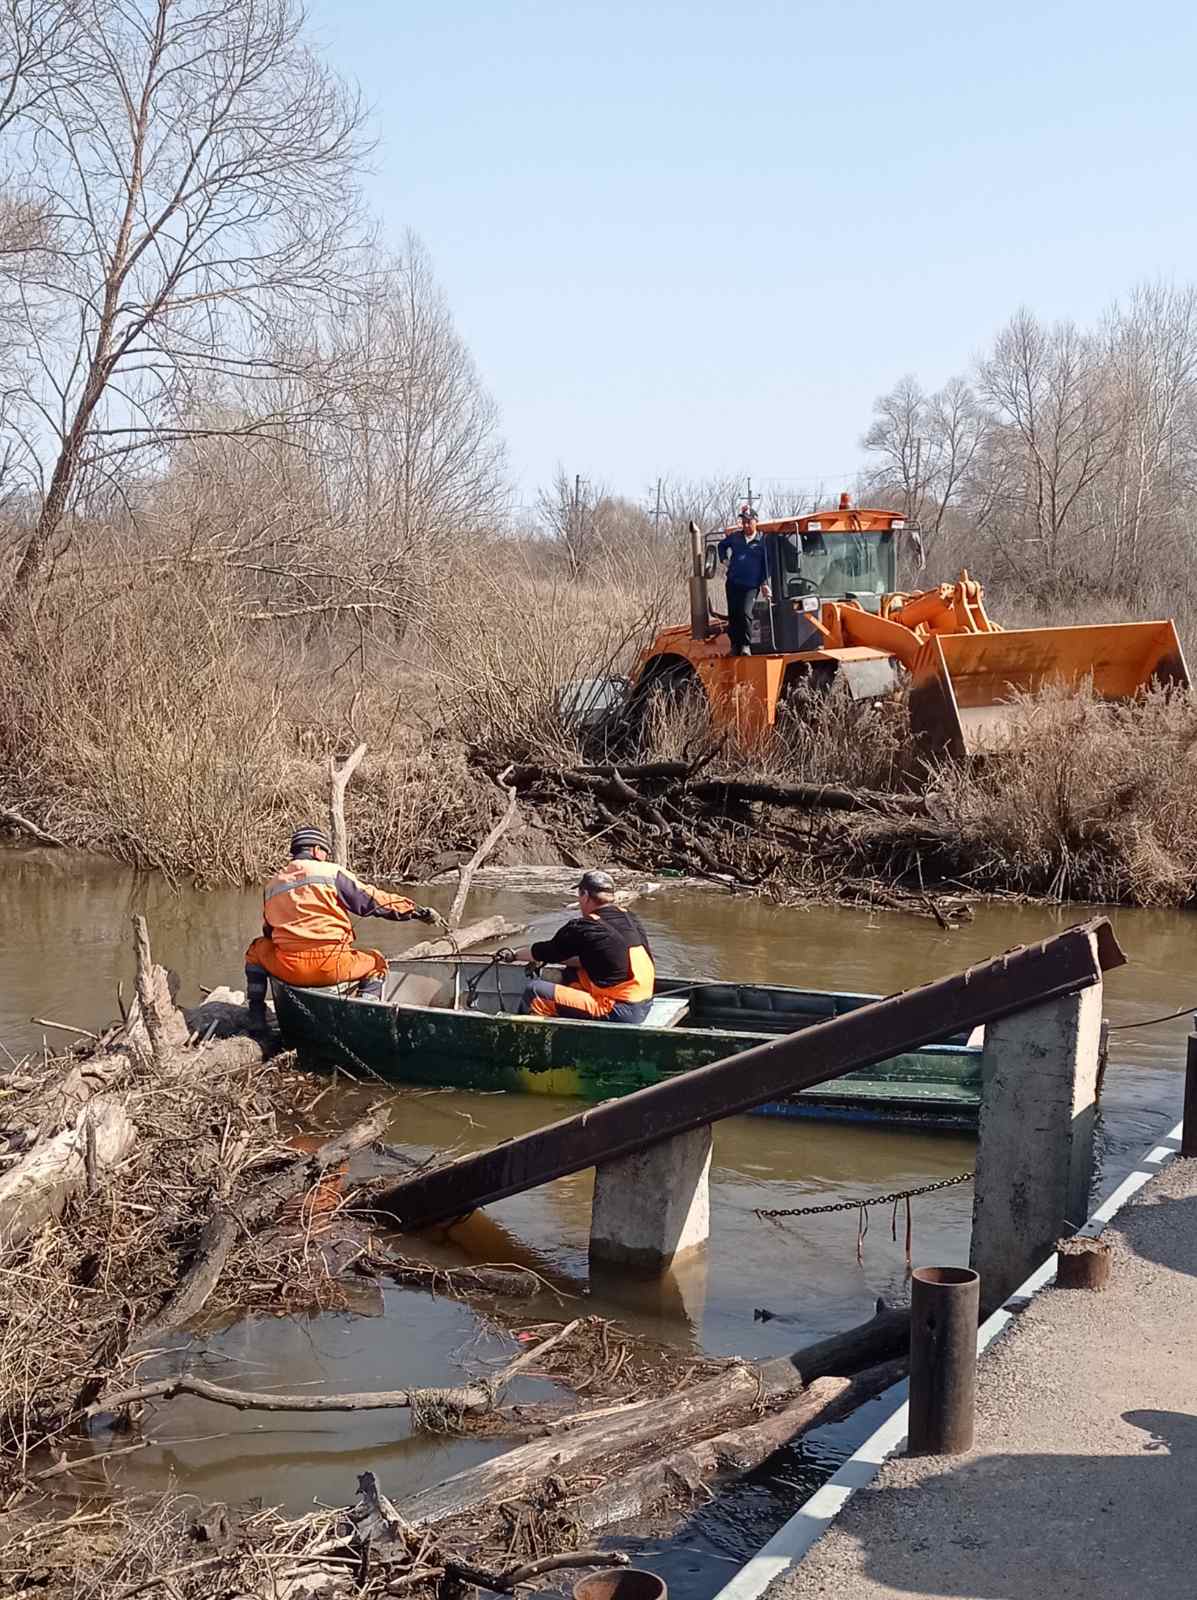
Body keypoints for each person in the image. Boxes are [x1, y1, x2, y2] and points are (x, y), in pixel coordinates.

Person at [244, 825, 437, 1026]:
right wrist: (417, 911)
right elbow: (376, 902)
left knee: (255, 951)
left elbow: (268, 932)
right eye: (325, 852)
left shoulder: (272, 885)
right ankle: (365, 1016)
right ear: (316, 850)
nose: (326, 856)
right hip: (333, 966)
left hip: (289, 968)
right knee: (376, 961)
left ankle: (256, 1015)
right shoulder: (331, 873)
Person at [499, 870, 655, 1024]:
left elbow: (546, 952)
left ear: (585, 896)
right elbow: (598, 959)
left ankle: (523, 1042)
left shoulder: (586, 926)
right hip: (644, 1003)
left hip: (619, 1009)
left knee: (534, 992)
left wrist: (514, 955)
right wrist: (561, 961)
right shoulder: (630, 918)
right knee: (573, 974)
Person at [717, 504, 771, 655]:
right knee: (733, 615)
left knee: (745, 613)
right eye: (744, 522)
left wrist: (764, 583)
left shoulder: (762, 542)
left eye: (749, 521)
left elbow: (767, 565)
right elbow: (721, 546)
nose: (746, 525)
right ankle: (735, 645)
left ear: (756, 522)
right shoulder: (735, 537)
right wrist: (724, 560)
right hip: (733, 583)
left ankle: (746, 645)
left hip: (751, 585)